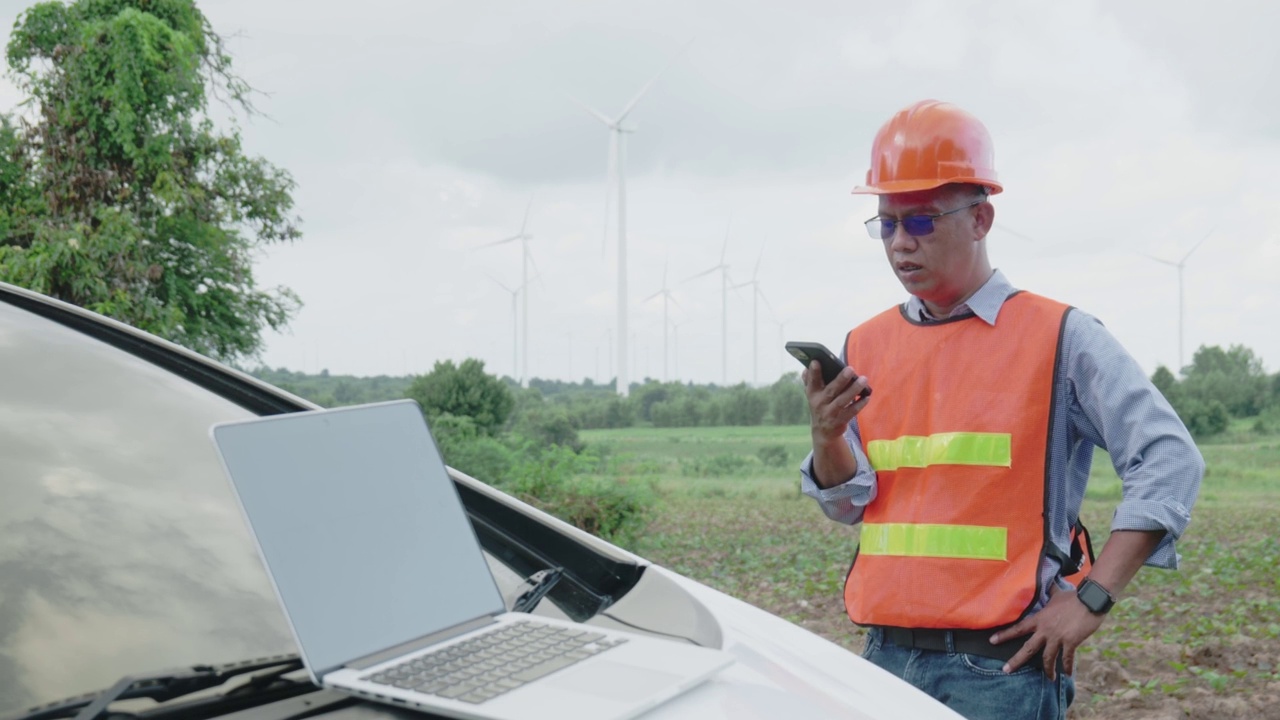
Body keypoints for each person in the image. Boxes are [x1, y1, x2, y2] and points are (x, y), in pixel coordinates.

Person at [800, 99, 1203, 720]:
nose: (902, 244)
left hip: (999, 671)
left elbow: (1169, 459)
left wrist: (1093, 597)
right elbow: (848, 504)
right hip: (883, 657)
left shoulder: (1060, 336)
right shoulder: (866, 344)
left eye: (923, 222)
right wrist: (828, 438)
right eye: (886, 224)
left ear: (981, 218)